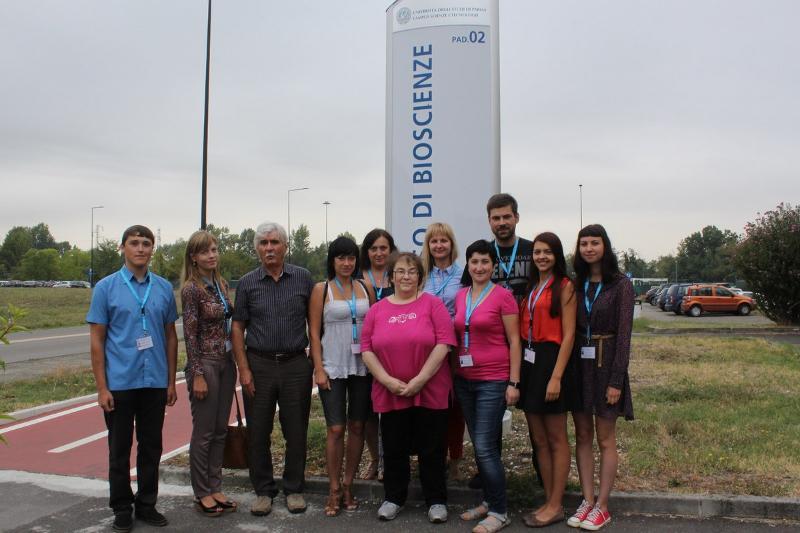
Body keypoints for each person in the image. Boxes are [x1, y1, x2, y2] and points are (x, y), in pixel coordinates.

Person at [87, 225, 178, 532]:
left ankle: (147, 504)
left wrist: (170, 382)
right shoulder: (106, 288)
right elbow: (97, 339)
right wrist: (102, 387)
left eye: (146, 243)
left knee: (151, 447)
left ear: (153, 249)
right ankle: (122, 508)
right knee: (119, 449)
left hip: (154, 382)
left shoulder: (163, 288)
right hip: (120, 383)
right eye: (134, 243)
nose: (140, 248)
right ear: (123, 247)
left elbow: (170, 336)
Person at [360, 252, 457, 524]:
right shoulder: (377, 310)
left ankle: (436, 500)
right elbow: (366, 349)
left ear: (420, 277)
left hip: (430, 389)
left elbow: (444, 343)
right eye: (400, 271)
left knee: (432, 448)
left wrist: (420, 379)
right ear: (391, 277)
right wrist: (387, 380)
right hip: (391, 391)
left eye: (412, 271)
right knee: (394, 447)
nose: (406, 276)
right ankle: (393, 498)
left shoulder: (433, 305)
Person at [230, 222, 315, 517]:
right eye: (264, 243)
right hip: (259, 365)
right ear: (257, 249)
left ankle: (294, 489)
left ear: (285, 247)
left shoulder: (303, 278)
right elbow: (237, 328)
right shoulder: (247, 283)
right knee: (258, 432)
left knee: (296, 431)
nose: (269, 248)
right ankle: (264, 491)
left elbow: (314, 321)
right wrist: (243, 369)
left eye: (275, 242)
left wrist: (314, 361)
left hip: (295, 365)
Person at [567, 224, 634, 531]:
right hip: (580, 366)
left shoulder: (620, 284)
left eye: (594, 243)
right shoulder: (576, 283)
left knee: (605, 438)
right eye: (584, 243)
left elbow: (625, 336)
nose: (589, 248)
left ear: (605, 246)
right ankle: (587, 499)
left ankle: (603, 506)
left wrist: (616, 380)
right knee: (582, 436)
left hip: (607, 365)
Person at [453, 240, 521, 533]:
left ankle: (499, 511)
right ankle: (488, 501)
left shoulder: (504, 296)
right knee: (484, 444)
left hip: (493, 380)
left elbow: (515, 341)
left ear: (494, 266)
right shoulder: (461, 296)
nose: (479, 267)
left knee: (483, 446)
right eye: (474, 261)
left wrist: (513, 382)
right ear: (467, 265)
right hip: (464, 380)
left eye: (485, 262)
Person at [309, 236, 375, 517]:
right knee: (336, 429)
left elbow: (374, 323)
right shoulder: (321, 290)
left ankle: (348, 485)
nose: (347, 263)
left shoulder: (365, 287)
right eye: (341, 258)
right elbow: (314, 333)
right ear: (332, 261)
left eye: (351, 258)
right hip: (333, 367)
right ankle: (333, 488)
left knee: (357, 426)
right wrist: (319, 368)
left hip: (362, 367)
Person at [517, 232, 577, 528]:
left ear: (557, 255)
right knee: (539, 439)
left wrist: (556, 377)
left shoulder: (565, 286)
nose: (541, 257)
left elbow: (569, 335)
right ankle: (548, 499)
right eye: (537, 252)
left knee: (555, 438)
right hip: (530, 362)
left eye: (548, 252)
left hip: (551, 362)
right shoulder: (532, 287)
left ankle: (556, 505)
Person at [482, 193, 539, 491]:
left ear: (517, 217)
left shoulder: (533, 251)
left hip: (530, 343)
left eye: (507, 216)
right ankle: (489, 474)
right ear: (489, 221)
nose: (502, 222)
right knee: (490, 414)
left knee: (535, 413)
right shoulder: (482, 254)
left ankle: (543, 473)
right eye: (496, 218)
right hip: (492, 344)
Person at [181, 230, 237, 517]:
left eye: (214, 249)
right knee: (203, 432)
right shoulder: (192, 289)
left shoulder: (221, 284)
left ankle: (215, 486)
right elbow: (189, 335)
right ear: (194, 257)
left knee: (219, 430)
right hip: (205, 363)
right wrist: (198, 374)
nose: (211, 255)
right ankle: (202, 491)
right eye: (205, 251)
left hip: (226, 362)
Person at [421, 222, 466, 481]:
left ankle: (455, 460)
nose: (439, 245)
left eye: (443, 240)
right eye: (434, 241)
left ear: (451, 244)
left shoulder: (463, 275)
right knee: (432, 404)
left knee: (455, 405)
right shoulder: (421, 276)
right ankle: (433, 457)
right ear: (428, 246)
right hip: (426, 348)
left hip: (455, 347)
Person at [359, 228, 398, 480]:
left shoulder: (399, 274)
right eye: (373, 248)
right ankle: (375, 459)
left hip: (393, 352)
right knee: (367, 412)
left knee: (393, 411)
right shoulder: (356, 276)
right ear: (367, 252)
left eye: (384, 248)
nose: (379, 253)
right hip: (364, 354)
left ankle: (391, 460)